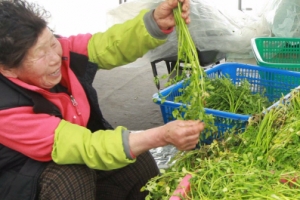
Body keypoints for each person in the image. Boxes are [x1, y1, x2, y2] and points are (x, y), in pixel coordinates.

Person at [0, 0, 205, 199]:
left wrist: (154, 23)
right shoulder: (6, 109)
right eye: (40, 54)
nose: (55, 57)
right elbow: (84, 146)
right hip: (22, 185)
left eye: (52, 42)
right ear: (7, 69)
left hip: (72, 156)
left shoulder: (62, 53)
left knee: (134, 159)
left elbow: (106, 46)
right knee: (71, 176)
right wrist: (161, 136)